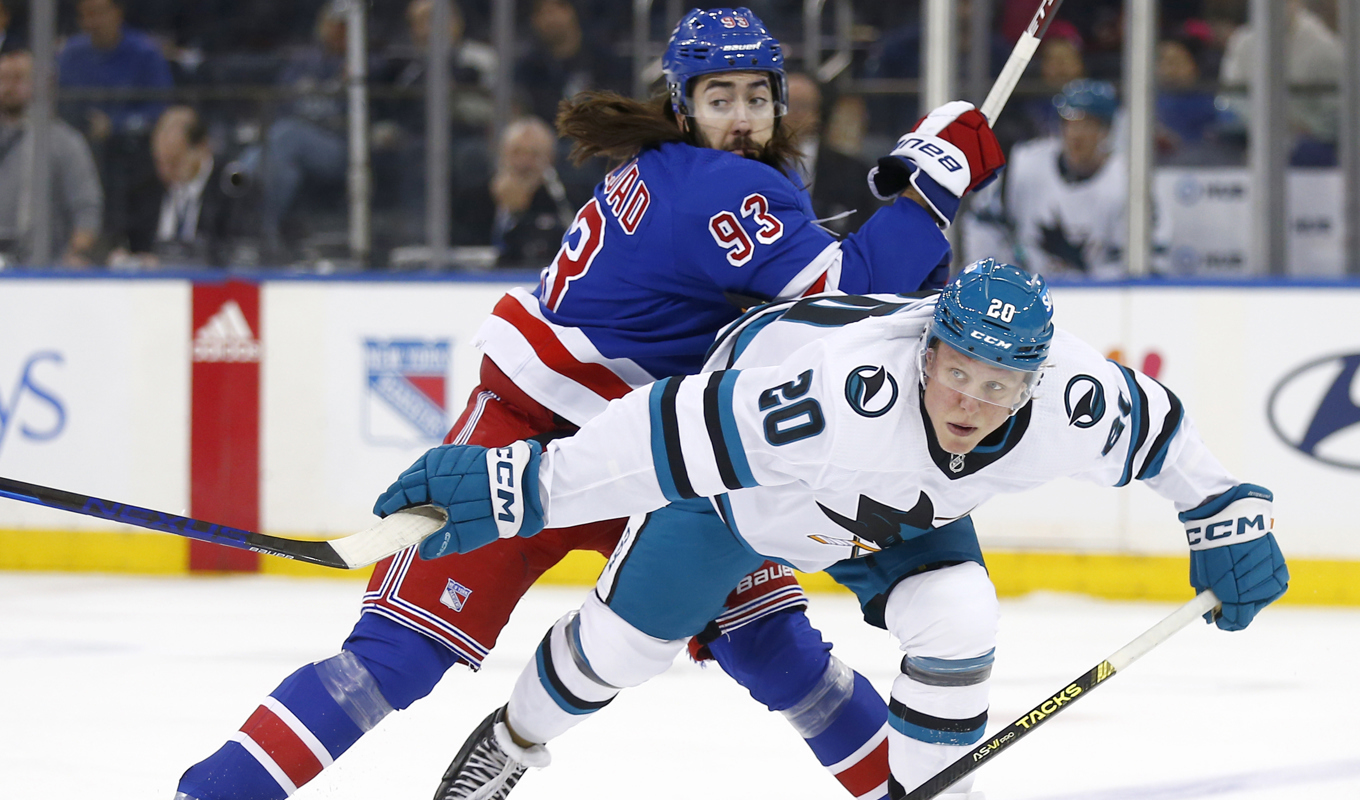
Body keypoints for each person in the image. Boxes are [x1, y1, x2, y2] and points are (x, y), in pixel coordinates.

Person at [170, 8, 1005, 800]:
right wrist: (930, 197)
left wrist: (907, 213)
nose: (743, 116)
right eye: (721, 99)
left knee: (775, 648)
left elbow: (824, 306)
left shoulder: (718, 176)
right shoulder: (717, 186)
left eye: (758, 96)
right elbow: (836, 294)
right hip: (535, 443)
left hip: (656, 457)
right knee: (391, 661)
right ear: (683, 109)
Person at [384, 259, 1290, 800]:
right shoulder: (833, 400)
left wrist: (1224, 516)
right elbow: (670, 428)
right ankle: (507, 746)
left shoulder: (1073, 399)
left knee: (963, 614)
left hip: (905, 518)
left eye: (1000, 385)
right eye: (959, 372)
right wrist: (526, 483)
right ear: (928, 347)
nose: (973, 402)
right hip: (755, 497)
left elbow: (1163, 430)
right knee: (616, 654)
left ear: (1035, 381)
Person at [964, 79, 1171, 278]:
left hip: (1103, 300)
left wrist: (1093, 288)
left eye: (1088, 124)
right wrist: (998, 278)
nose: (1076, 134)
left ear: (1106, 131)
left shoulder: (1129, 180)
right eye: (1069, 123)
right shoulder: (1025, 164)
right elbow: (982, 224)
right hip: (1023, 294)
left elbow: (1152, 257)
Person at [57, 0, 173, 255]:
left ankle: (132, 246)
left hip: (132, 156)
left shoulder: (144, 53)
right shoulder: (71, 54)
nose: (91, 23)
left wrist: (116, 126)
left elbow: (159, 111)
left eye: (97, 14)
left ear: (117, 13)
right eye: (85, 15)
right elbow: (58, 104)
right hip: (81, 149)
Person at [110, 106, 249, 268]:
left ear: (202, 147)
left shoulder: (233, 189)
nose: (164, 171)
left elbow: (239, 252)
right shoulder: (144, 188)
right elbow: (124, 238)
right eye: (159, 162)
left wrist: (170, 262)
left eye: (174, 162)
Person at [0, 50, 102, 266]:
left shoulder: (64, 142)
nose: (8, 87)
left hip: (45, 268)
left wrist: (77, 255)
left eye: (18, 78)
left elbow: (87, 209)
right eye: (3, 78)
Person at [450, 116, 589, 267]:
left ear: (550, 159)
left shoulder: (566, 201)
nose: (524, 162)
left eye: (534, 154)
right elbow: (458, 247)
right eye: (516, 152)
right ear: (502, 154)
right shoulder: (473, 198)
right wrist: (501, 206)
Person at [784, 72, 884, 236]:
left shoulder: (854, 172)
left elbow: (865, 234)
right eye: (786, 105)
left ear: (819, 112)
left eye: (802, 105)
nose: (793, 114)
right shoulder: (754, 167)